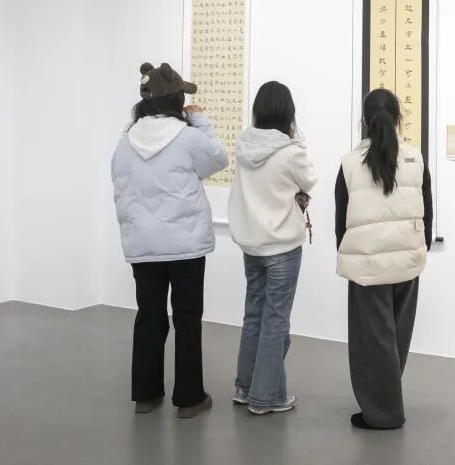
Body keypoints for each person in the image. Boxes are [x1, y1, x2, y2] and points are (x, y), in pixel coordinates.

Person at [111, 62, 227, 418]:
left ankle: (146, 396)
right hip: (184, 244)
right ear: (177, 100)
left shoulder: (125, 141)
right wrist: (199, 122)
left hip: (142, 244)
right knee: (187, 319)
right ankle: (189, 399)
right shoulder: (188, 137)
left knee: (149, 317)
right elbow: (218, 160)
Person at [335, 88, 433, 430]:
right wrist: (418, 247)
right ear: (398, 120)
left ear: (364, 121)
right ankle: (386, 399)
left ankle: (383, 412)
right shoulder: (416, 158)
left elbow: (341, 219)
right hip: (407, 261)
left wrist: (348, 251)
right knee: (396, 337)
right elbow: (427, 211)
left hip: (367, 265)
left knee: (372, 342)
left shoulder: (350, 163)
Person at [227, 81, 316, 415]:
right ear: (287, 112)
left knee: (254, 315)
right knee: (276, 321)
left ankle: (245, 386)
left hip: (251, 245)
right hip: (282, 246)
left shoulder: (244, 145)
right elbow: (309, 180)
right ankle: (266, 397)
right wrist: (297, 140)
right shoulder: (291, 151)